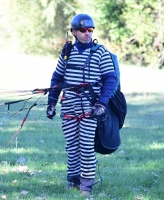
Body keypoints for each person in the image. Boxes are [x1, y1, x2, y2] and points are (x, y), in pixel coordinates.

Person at [46, 13, 117, 196]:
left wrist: (101, 103)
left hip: (90, 108)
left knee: (86, 147)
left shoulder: (100, 52)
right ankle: (73, 181)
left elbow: (110, 79)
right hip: (69, 106)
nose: (87, 33)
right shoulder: (67, 51)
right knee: (72, 146)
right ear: (74, 32)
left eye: (90, 30)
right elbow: (58, 77)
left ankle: (86, 186)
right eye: (83, 30)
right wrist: (52, 102)